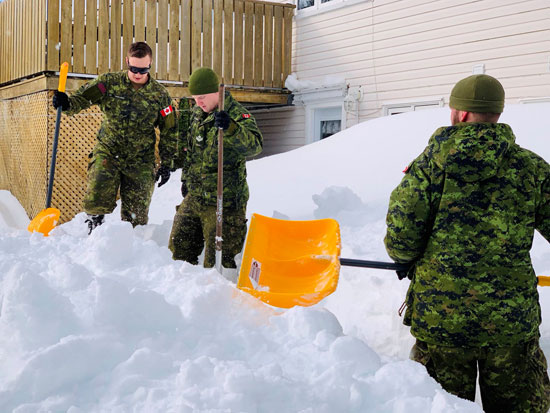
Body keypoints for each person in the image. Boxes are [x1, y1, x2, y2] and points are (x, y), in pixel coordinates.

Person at [384, 74, 550, 412]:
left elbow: (401, 237)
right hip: (510, 321)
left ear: (459, 113)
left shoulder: (428, 168)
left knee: (441, 406)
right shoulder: (531, 168)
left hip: (442, 319)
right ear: (497, 114)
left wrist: (411, 259)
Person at [52, 41, 178, 234]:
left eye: (143, 70)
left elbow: (169, 130)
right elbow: (82, 99)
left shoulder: (160, 95)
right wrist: (66, 103)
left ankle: (132, 247)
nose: (138, 73)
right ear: (127, 61)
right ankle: (92, 233)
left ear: (150, 64)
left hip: (140, 160)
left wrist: (167, 163)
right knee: (96, 200)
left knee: (137, 215)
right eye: (133, 68)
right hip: (109, 152)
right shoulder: (108, 83)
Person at [169, 67, 263, 269]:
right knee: (179, 247)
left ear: (217, 92)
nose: (198, 102)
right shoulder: (197, 114)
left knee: (218, 263)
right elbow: (192, 152)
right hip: (196, 196)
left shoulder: (236, 114)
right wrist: (186, 179)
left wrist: (231, 128)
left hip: (224, 201)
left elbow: (254, 146)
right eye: (195, 98)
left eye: (202, 97)